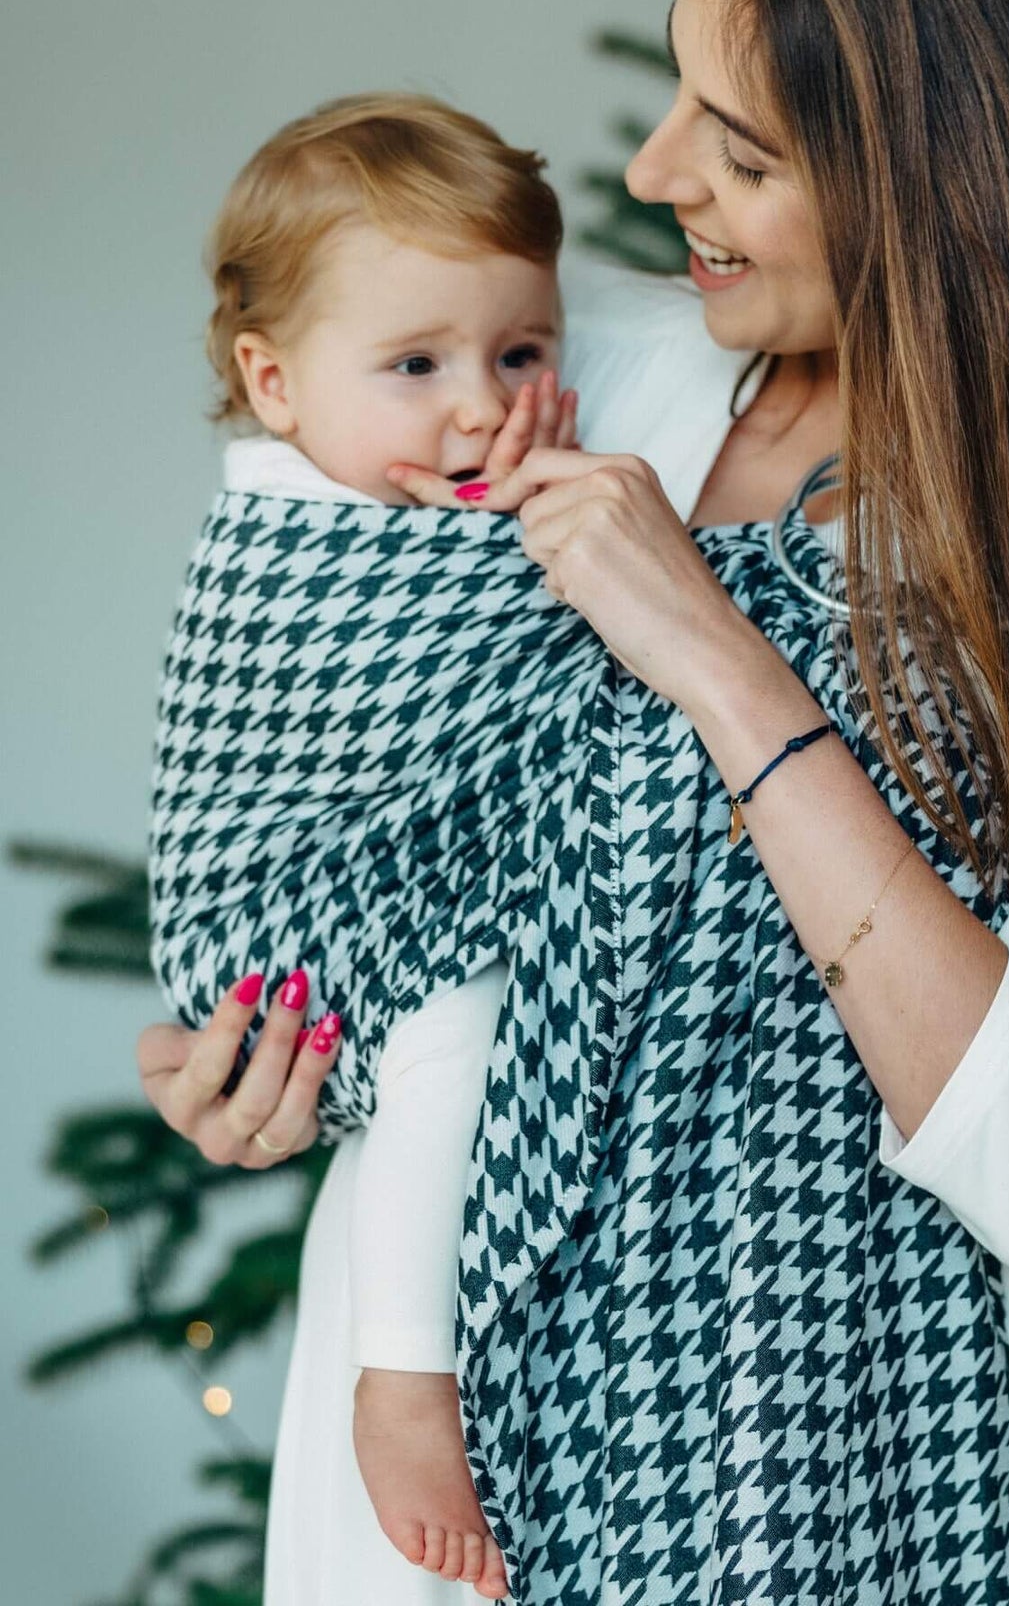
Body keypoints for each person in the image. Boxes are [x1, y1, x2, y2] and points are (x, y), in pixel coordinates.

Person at [137, 0, 1009, 1601]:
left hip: (851, 1469)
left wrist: (719, 659)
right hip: (456, 1454)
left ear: (948, 188)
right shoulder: (564, 369)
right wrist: (262, 1054)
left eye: (742, 147)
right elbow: (350, 767)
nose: (650, 173)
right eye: (680, 98)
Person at [160, 92, 582, 1598]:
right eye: (416, 366)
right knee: (456, 1024)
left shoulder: (422, 497)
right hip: (282, 932)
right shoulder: (294, 545)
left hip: (373, 910)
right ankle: (405, 1375)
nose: (480, 410)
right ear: (272, 382)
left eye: (521, 354)